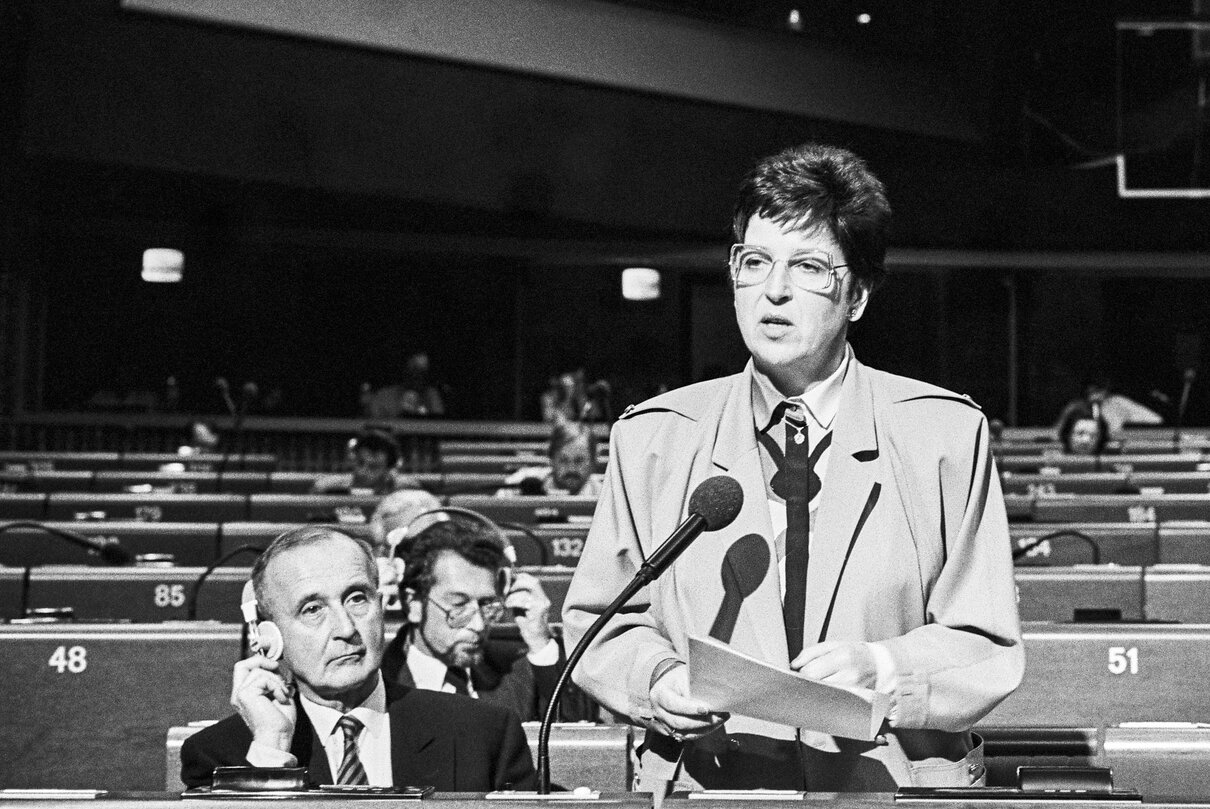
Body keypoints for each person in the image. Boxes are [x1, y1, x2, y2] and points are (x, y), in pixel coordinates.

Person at [562, 142, 1024, 793]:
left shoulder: (943, 436)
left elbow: (986, 641)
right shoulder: (654, 438)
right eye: (754, 262)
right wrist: (657, 679)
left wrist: (882, 665)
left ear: (857, 292)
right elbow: (603, 620)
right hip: (713, 786)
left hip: (890, 785)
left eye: (807, 265)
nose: (773, 291)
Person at [180, 525, 535, 790]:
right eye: (313, 608)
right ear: (267, 637)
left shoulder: (485, 734)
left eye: (357, 599)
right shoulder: (219, 758)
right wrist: (271, 749)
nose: (346, 628)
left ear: (381, 608)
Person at [381, 517, 595, 722]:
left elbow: (580, 741)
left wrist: (540, 643)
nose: (479, 625)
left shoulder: (515, 671)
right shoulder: (378, 678)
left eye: (486, 605)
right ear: (413, 604)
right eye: (458, 606)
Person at [500, 420, 604, 498]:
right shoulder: (522, 483)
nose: (571, 468)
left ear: (593, 462)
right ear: (551, 460)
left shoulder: (605, 496)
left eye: (579, 461)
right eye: (563, 460)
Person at [312, 429, 413, 495]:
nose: (362, 472)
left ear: (388, 470)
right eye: (360, 463)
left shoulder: (402, 491)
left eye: (373, 467)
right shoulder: (328, 489)